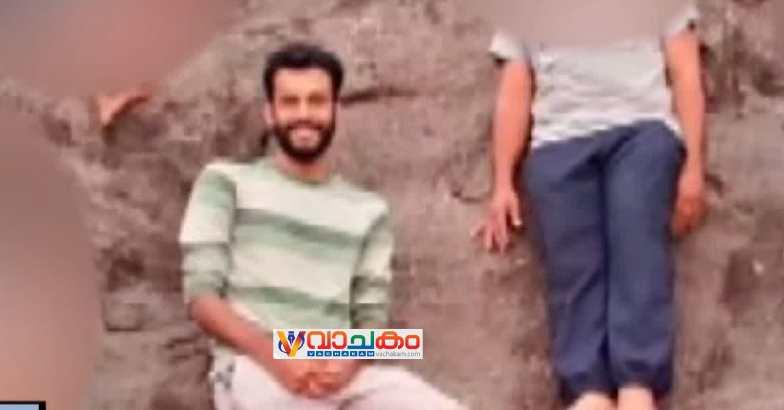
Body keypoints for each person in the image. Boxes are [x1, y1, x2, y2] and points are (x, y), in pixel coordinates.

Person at [179, 42, 466, 410]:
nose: (304, 114)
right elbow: (201, 299)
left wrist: (347, 364)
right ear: (269, 113)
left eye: (316, 101)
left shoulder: (368, 210)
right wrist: (277, 358)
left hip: (338, 368)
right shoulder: (225, 182)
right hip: (255, 367)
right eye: (290, 102)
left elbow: (373, 321)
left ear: (335, 111)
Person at [474, 3, 707, 410]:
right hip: (558, 143)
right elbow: (515, 88)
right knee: (573, 275)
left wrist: (694, 167)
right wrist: (503, 182)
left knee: (638, 252)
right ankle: (589, 393)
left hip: (640, 131)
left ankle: (637, 386)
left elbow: (686, 71)